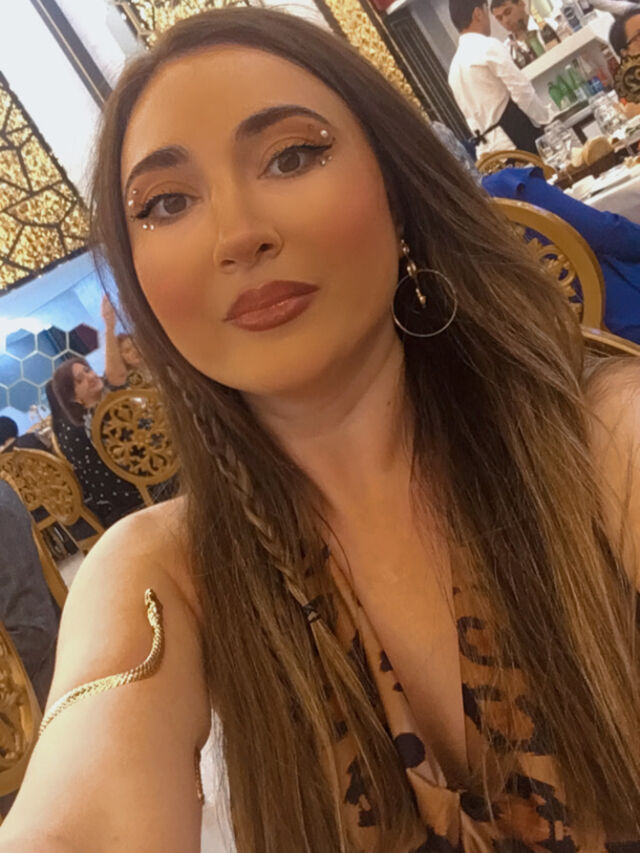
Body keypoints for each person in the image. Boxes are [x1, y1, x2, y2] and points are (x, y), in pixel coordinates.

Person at [1, 8, 639, 852]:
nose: (238, 235)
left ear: (398, 186)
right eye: (166, 203)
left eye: (292, 156)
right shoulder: (163, 573)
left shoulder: (600, 443)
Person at [483, 165, 640, 342]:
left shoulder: (463, 246)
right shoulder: (504, 188)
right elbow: (609, 233)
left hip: (565, 347)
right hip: (623, 314)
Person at [448, 0, 553, 155]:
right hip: (517, 138)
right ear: (478, 13)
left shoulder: (454, 69)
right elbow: (521, 91)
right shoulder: (487, 46)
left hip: (490, 150)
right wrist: (548, 120)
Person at [47, 360, 143, 527]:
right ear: (74, 398)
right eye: (80, 380)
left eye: (88, 370)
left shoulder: (100, 409)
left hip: (115, 494)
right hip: (134, 492)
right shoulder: (97, 420)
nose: (90, 377)